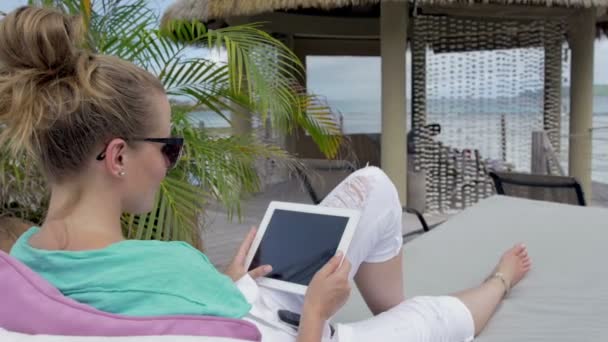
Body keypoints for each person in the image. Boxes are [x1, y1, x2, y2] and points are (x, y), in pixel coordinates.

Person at [0, 6, 531, 342]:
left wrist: (227, 285)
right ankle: (498, 281)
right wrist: (318, 316)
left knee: (375, 186)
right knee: (430, 318)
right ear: (117, 158)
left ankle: (384, 304)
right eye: (169, 147)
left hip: (241, 306)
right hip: (296, 330)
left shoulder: (20, 267)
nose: (170, 162)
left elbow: (180, 312)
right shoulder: (172, 266)